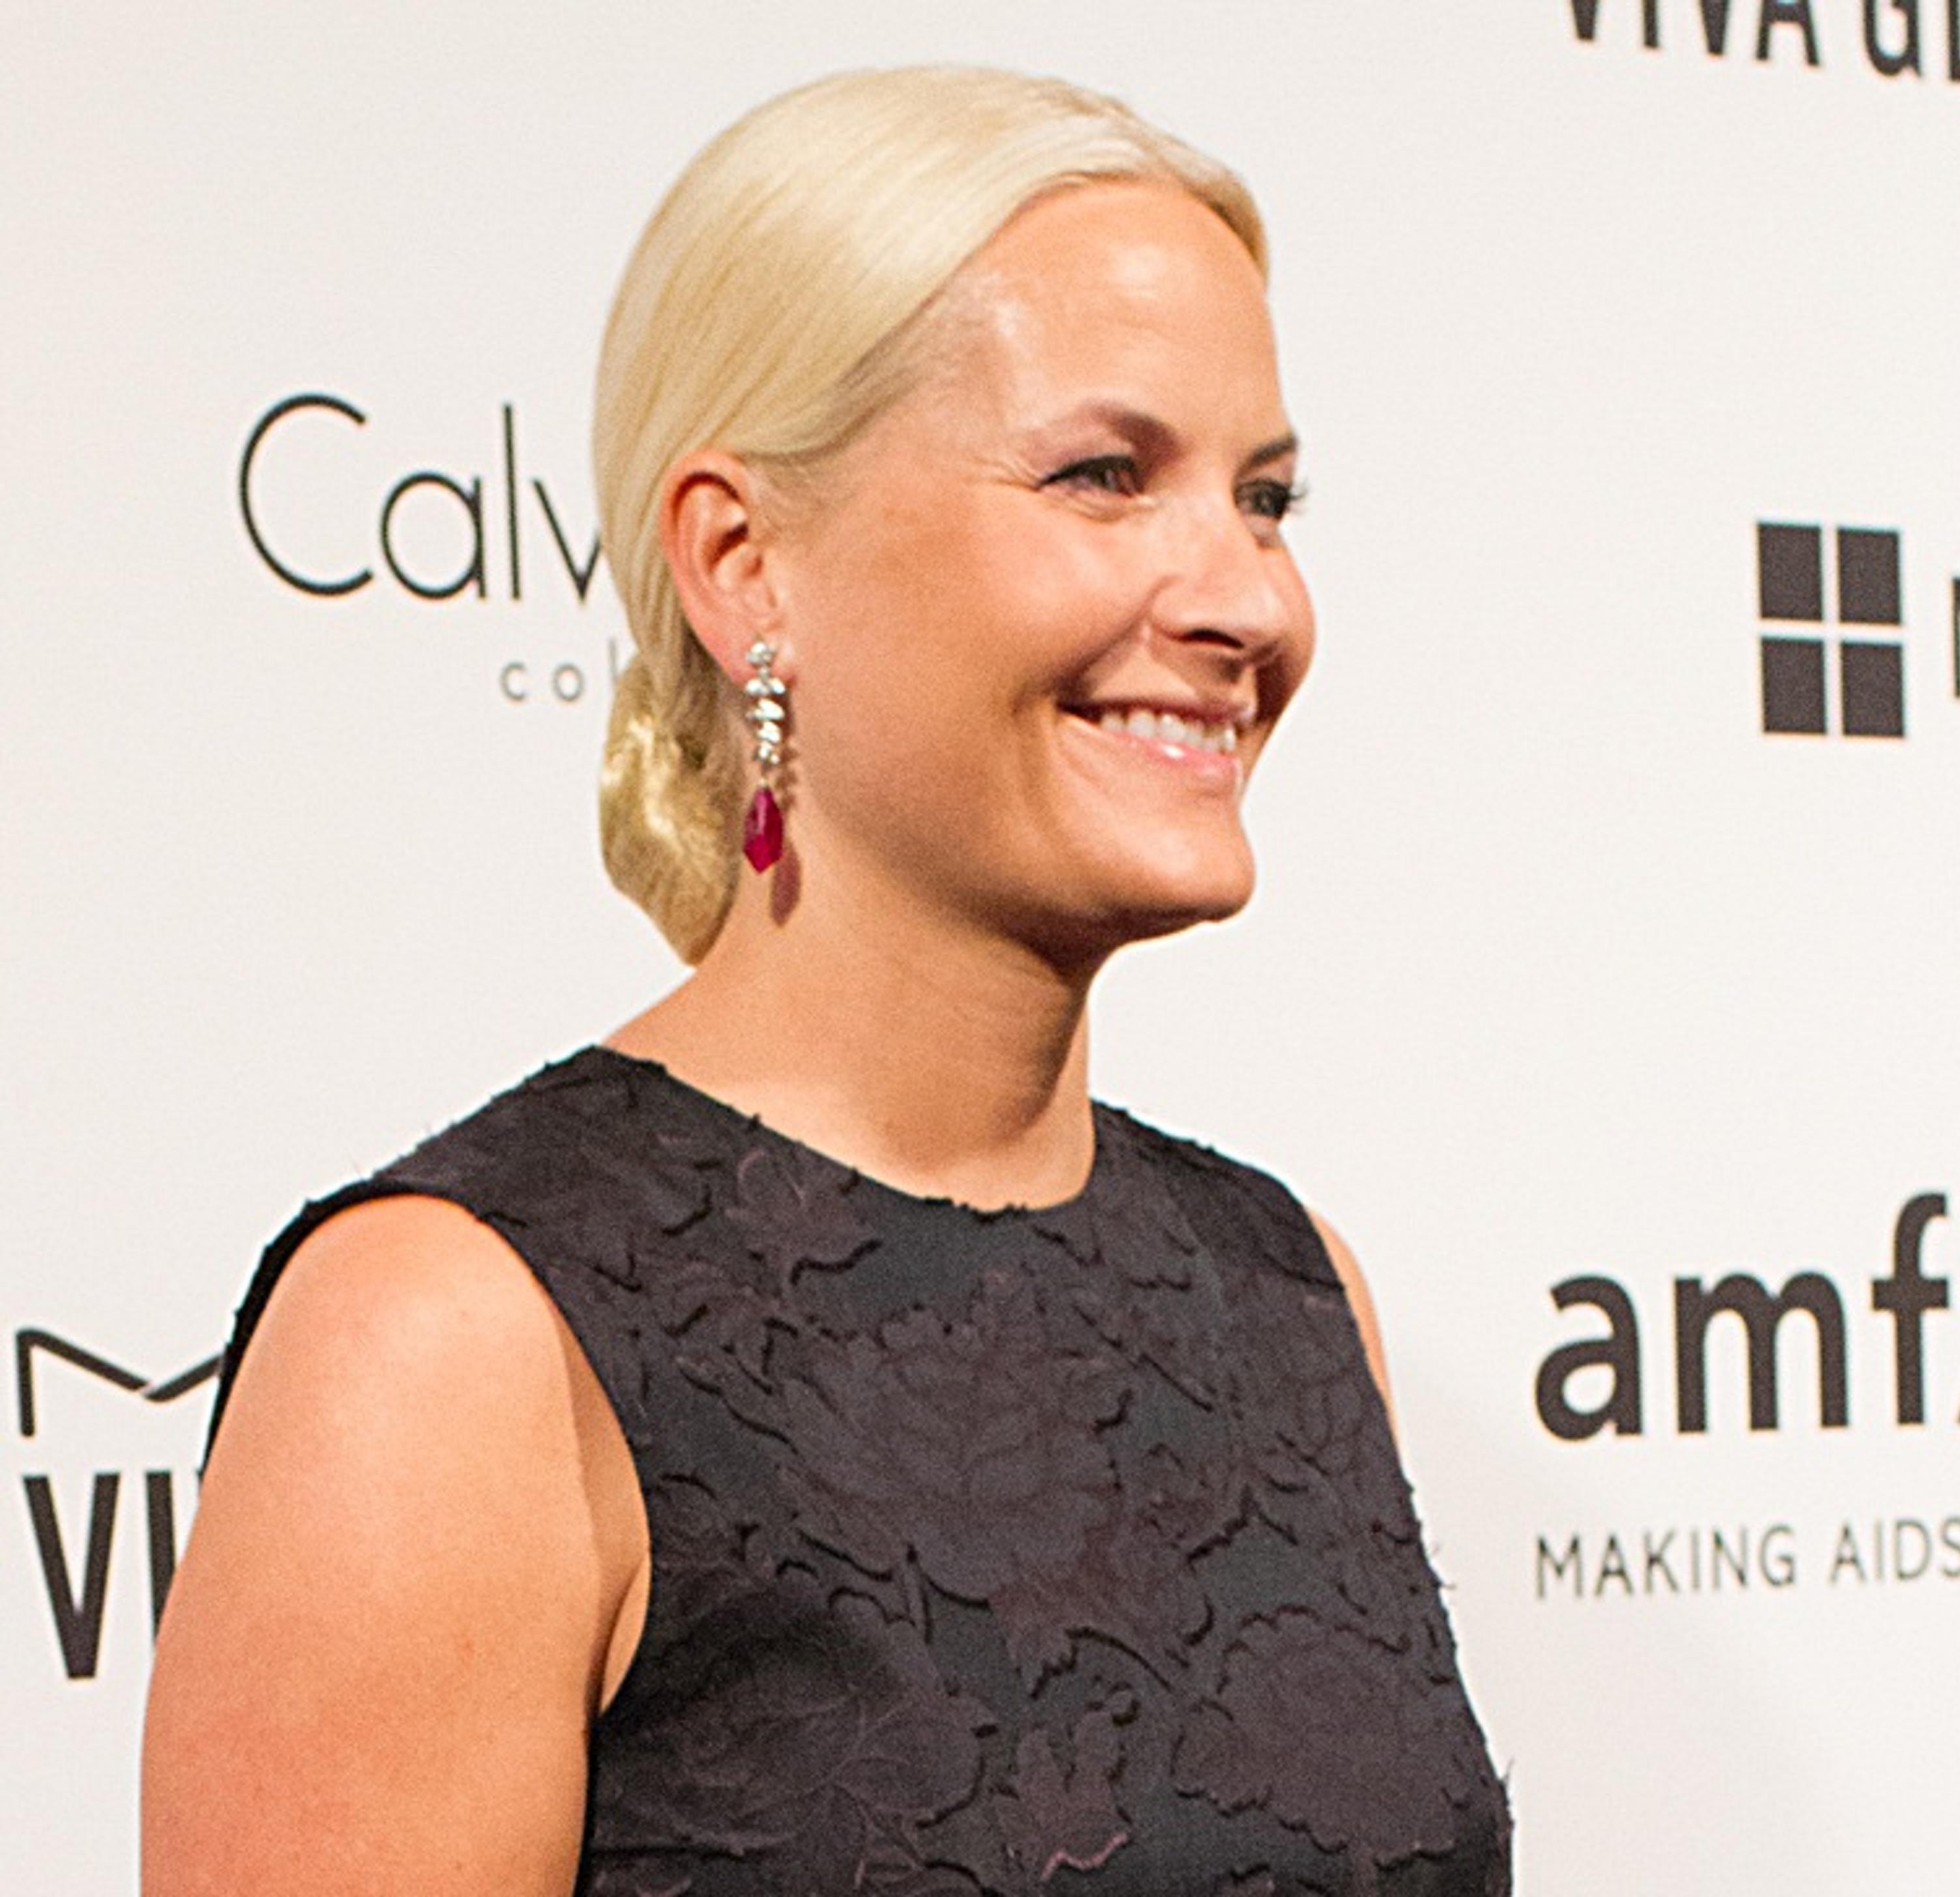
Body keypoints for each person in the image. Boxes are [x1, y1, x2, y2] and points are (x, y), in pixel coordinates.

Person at [142, 66, 1510, 1896]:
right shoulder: (457, 1343)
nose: (1250, 602)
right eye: (1106, 477)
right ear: (744, 564)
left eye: (1264, 499)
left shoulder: (1284, 1287)